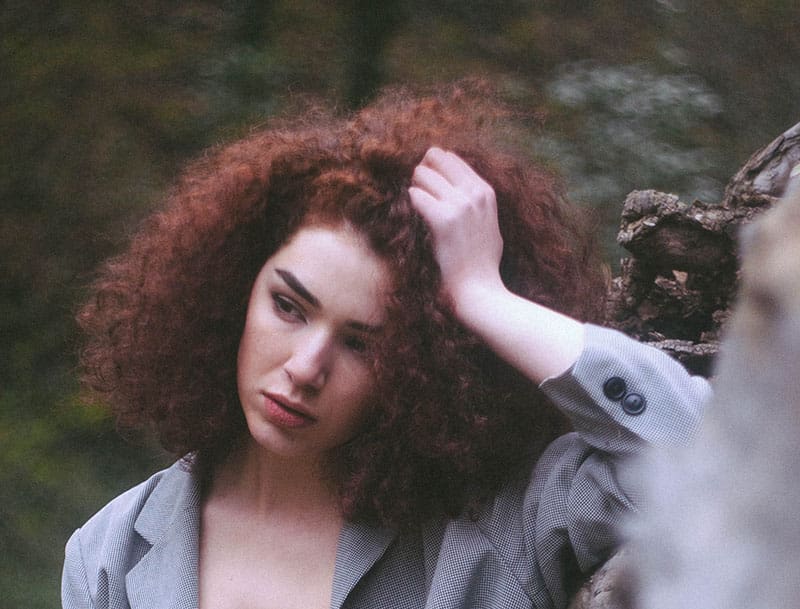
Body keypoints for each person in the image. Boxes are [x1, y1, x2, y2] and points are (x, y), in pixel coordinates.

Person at [63, 83, 710, 609]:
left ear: (421, 367)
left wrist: (486, 298)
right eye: (288, 306)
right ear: (234, 288)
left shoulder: (493, 524)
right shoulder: (110, 555)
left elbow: (718, 460)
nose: (306, 367)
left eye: (364, 344)